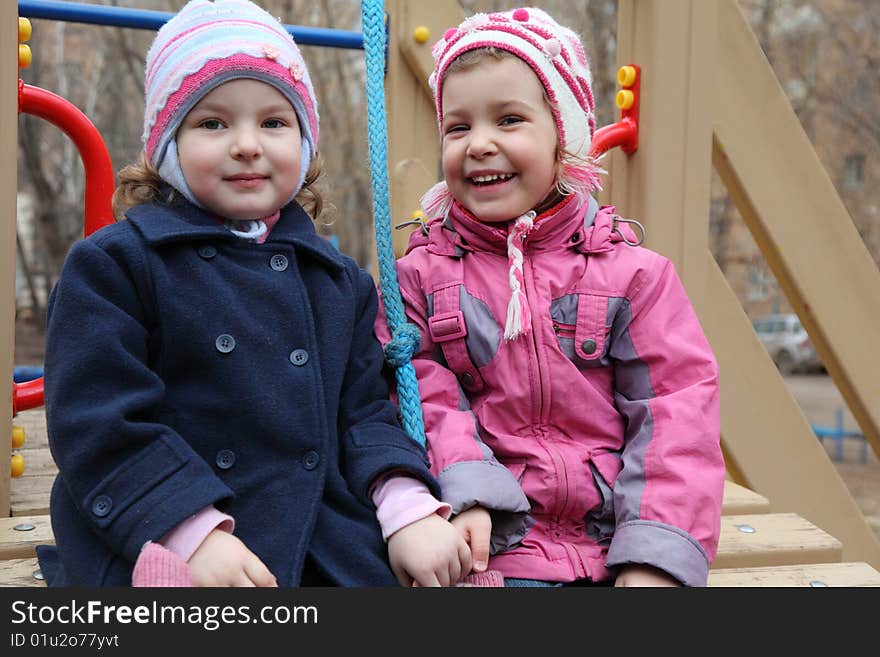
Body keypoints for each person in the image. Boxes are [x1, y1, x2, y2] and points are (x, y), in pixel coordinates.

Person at [35, 0, 471, 588]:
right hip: (165, 521)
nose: (247, 144)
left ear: (304, 143)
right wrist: (188, 529)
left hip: (316, 531)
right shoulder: (117, 265)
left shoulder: (338, 281)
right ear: (167, 146)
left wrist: (405, 508)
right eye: (212, 123)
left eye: (274, 122)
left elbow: (365, 412)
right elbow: (97, 421)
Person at [375, 7, 725, 587]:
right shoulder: (419, 277)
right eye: (458, 128)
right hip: (491, 542)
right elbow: (419, 396)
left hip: (615, 546)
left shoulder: (633, 275)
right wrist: (467, 492)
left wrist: (655, 556)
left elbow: (675, 414)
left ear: (564, 138)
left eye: (509, 120)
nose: (479, 144)